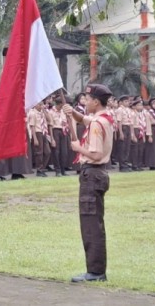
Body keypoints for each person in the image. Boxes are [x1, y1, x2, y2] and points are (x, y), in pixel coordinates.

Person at [63, 83, 115, 283]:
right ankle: (96, 269)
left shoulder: (96, 123)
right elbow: (86, 120)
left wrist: (78, 147)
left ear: (95, 101)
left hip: (92, 174)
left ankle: (95, 271)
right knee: (95, 222)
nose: (85, 101)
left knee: (91, 224)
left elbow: (95, 153)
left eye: (87, 98)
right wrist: (73, 112)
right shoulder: (105, 117)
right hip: (98, 174)